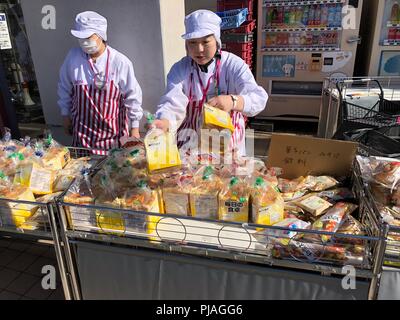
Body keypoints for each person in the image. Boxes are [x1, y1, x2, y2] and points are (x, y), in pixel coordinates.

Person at [152, 10, 268, 157]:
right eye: (192, 43)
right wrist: (164, 121)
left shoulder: (233, 65)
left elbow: (259, 97)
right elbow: (172, 102)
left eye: (205, 42)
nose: (199, 49)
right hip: (190, 146)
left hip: (227, 148)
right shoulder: (180, 68)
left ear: (217, 41)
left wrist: (233, 101)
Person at [58, 11, 143, 154]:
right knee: (83, 171)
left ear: (100, 35)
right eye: (81, 38)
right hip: (83, 133)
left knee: (112, 172)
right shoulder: (73, 57)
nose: (84, 42)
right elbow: (64, 87)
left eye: (88, 37)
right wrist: (65, 114)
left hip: (113, 135)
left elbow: (133, 95)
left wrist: (134, 127)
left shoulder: (120, 61)